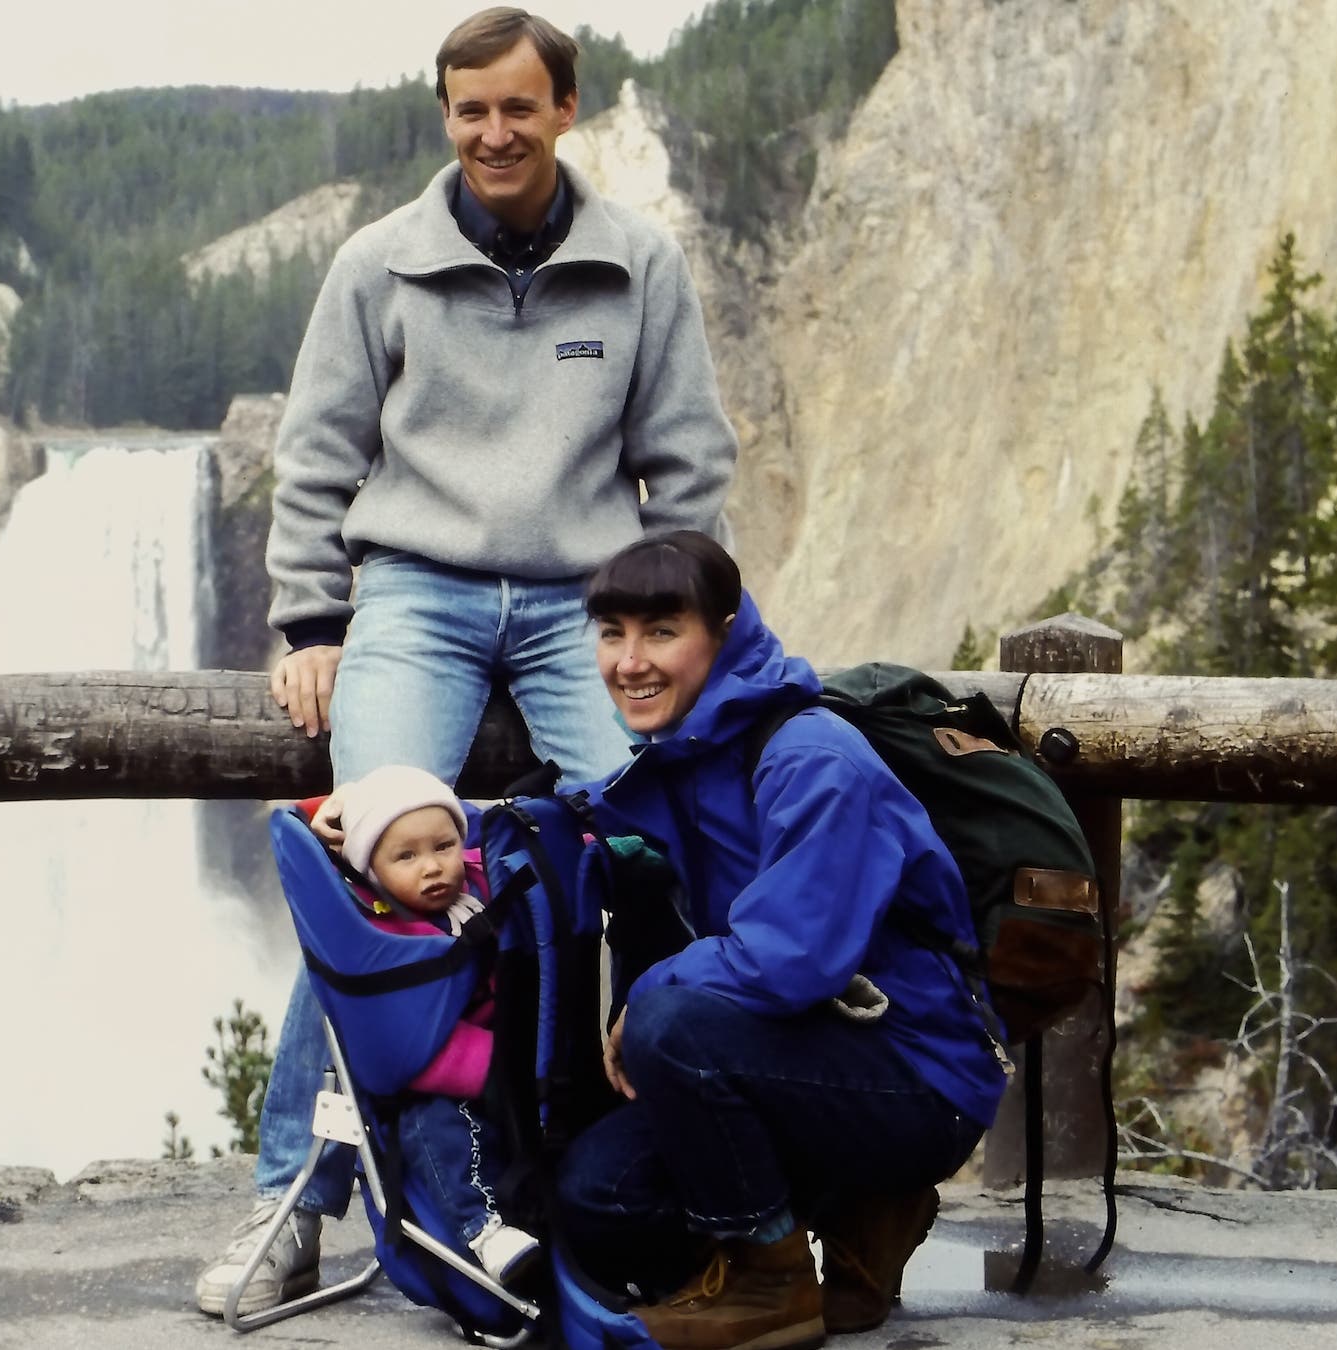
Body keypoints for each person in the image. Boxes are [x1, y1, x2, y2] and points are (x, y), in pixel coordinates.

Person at [197, 4, 737, 1315]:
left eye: (518, 106)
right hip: (420, 598)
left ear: (564, 109)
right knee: (367, 875)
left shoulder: (637, 265)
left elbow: (690, 467)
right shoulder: (379, 265)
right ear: (445, 115)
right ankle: (297, 1202)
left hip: (582, 605)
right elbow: (317, 453)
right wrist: (313, 625)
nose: (493, 132)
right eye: (468, 108)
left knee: (665, 831)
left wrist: (675, 632)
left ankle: (684, 1190)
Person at [557, 530, 1009, 1350]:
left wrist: (648, 998)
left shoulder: (810, 757)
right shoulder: (691, 752)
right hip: (809, 1050)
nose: (631, 661)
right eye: (612, 633)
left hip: (918, 1071)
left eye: (663, 631)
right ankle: (860, 1203)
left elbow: (791, 956)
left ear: (725, 632)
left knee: (671, 1027)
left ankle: (773, 1285)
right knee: (601, 1196)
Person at [330, 766, 543, 1290]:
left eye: (443, 846)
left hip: (512, 1064)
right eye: (406, 856)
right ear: (372, 869)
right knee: (433, 1130)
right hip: (438, 1082)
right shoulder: (382, 932)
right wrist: (499, 1066)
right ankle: (484, 1233)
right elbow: (402, 1042)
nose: (432, 868)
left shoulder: (482, 881)